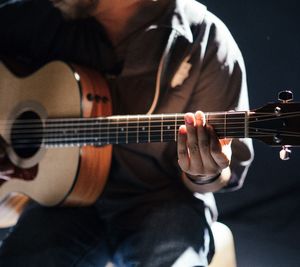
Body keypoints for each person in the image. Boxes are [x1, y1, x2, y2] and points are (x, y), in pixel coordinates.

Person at [0, 0, 253, 266]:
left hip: (163, 203)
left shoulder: (206, 40)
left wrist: (204, 170)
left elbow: (223, 173)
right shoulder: (35, 19)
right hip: (59, 206)